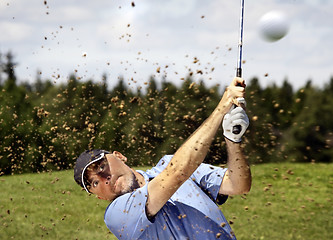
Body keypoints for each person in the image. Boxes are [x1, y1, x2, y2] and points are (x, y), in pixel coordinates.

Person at [74, 77, 251, 240]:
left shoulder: (168, 163)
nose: (104, 179)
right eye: (94, 183)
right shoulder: (116, 215)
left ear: (119, 156)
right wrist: (222, 108)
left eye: (101, 167)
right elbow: (177, 173)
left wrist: (233, 140)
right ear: (99, 198)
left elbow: (238, 185)